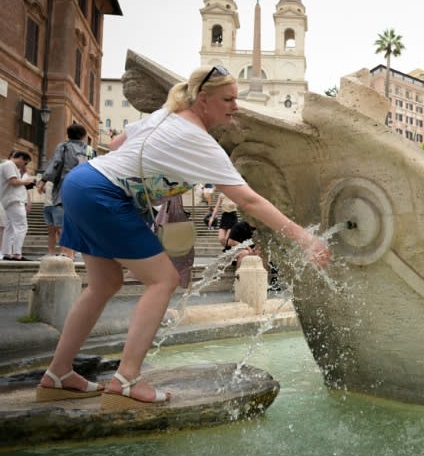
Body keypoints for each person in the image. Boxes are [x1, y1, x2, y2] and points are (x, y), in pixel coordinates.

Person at [36, 66, 331, 409]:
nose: (236, 106)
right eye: (228, 99)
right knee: (163, 279)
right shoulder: (199, 141)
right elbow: (249, 200)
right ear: (203, 100)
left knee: (105, 284)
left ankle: (58, 374)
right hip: (103, 193)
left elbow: (117, 143)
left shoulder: (166, 115)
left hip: (82, 182)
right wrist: (305, 239)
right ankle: (127, 380)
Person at [40, 123, 95, 259]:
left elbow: (56, 163)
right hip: (85, 187)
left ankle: (66, 252)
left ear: (68, 135)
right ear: (83, 136)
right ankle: (74, 251)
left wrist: (44, 179)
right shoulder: (90, 150)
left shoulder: (63, 146)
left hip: (67, 184)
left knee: (66, 219)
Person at [0, 151, 36, 260]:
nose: (24, 166)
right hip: (14, 200)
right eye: (25, 163)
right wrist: (27, 181)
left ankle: (7, 253)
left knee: (9, 228)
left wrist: (24, 177)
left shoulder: (5, 165)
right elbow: (14, 181)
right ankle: (17, 254)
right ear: (20, 158)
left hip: (9, 200)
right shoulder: (9, 164)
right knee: (21, 227)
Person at [38, 181, 62, 255]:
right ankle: (51, 253)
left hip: (57, 206)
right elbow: (41, 191)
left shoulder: (61, 177)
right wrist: (40, 186)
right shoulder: (47, 180)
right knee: (51, 232)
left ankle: (64, 253)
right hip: (47, 206)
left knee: (60, 230)